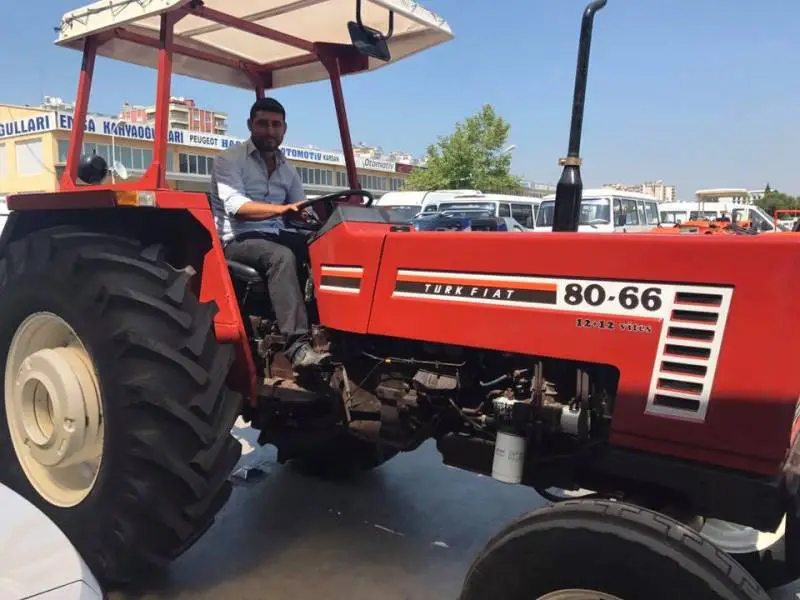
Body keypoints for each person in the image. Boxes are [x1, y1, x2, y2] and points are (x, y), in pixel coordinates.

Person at [209, 97, 331, 368]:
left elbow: (301, 207)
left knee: (324, 246)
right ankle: (297, 346)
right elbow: (237, 208)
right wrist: (282, 209)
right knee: (281, 256)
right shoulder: (229, 160)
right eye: (263, 124)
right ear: (250, 125)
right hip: (238, 238)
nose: (269, 131)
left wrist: (316, 219)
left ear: (284, 129)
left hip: (275, 232)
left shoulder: (288, 167)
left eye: (276, 125)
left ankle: (332, 325)